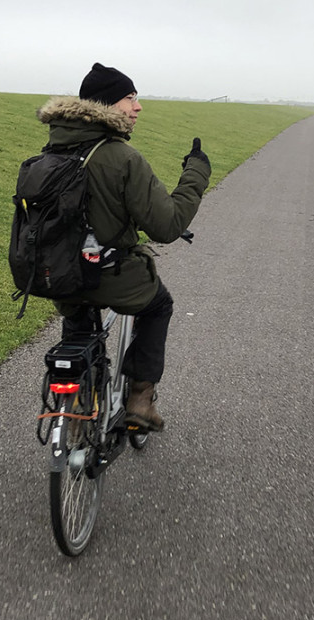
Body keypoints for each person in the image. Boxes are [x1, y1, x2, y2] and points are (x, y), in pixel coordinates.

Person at [36, 62, 210, 431]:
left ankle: (79, 407)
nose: (137, 106)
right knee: (159, 304)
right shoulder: (120, 157)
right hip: (108, 274)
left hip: (55, 275)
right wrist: (196, 172)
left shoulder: (52, 151)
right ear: (106, 104)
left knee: (80, 319)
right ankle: (140, 401)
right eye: (130, 98)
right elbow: (167, 225)